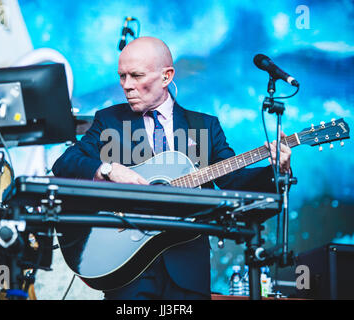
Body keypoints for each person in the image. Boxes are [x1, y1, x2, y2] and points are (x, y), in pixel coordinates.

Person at [52, 36, 291, 300]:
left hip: (187, 270)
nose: (126, 86)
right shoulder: (110, 121)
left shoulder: (205, 127)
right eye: (122, 76)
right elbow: (64, 164)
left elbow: (234, 182)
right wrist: (108, 170)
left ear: (166, 77)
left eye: (136, 75)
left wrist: (278, 171)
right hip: (127, 271)